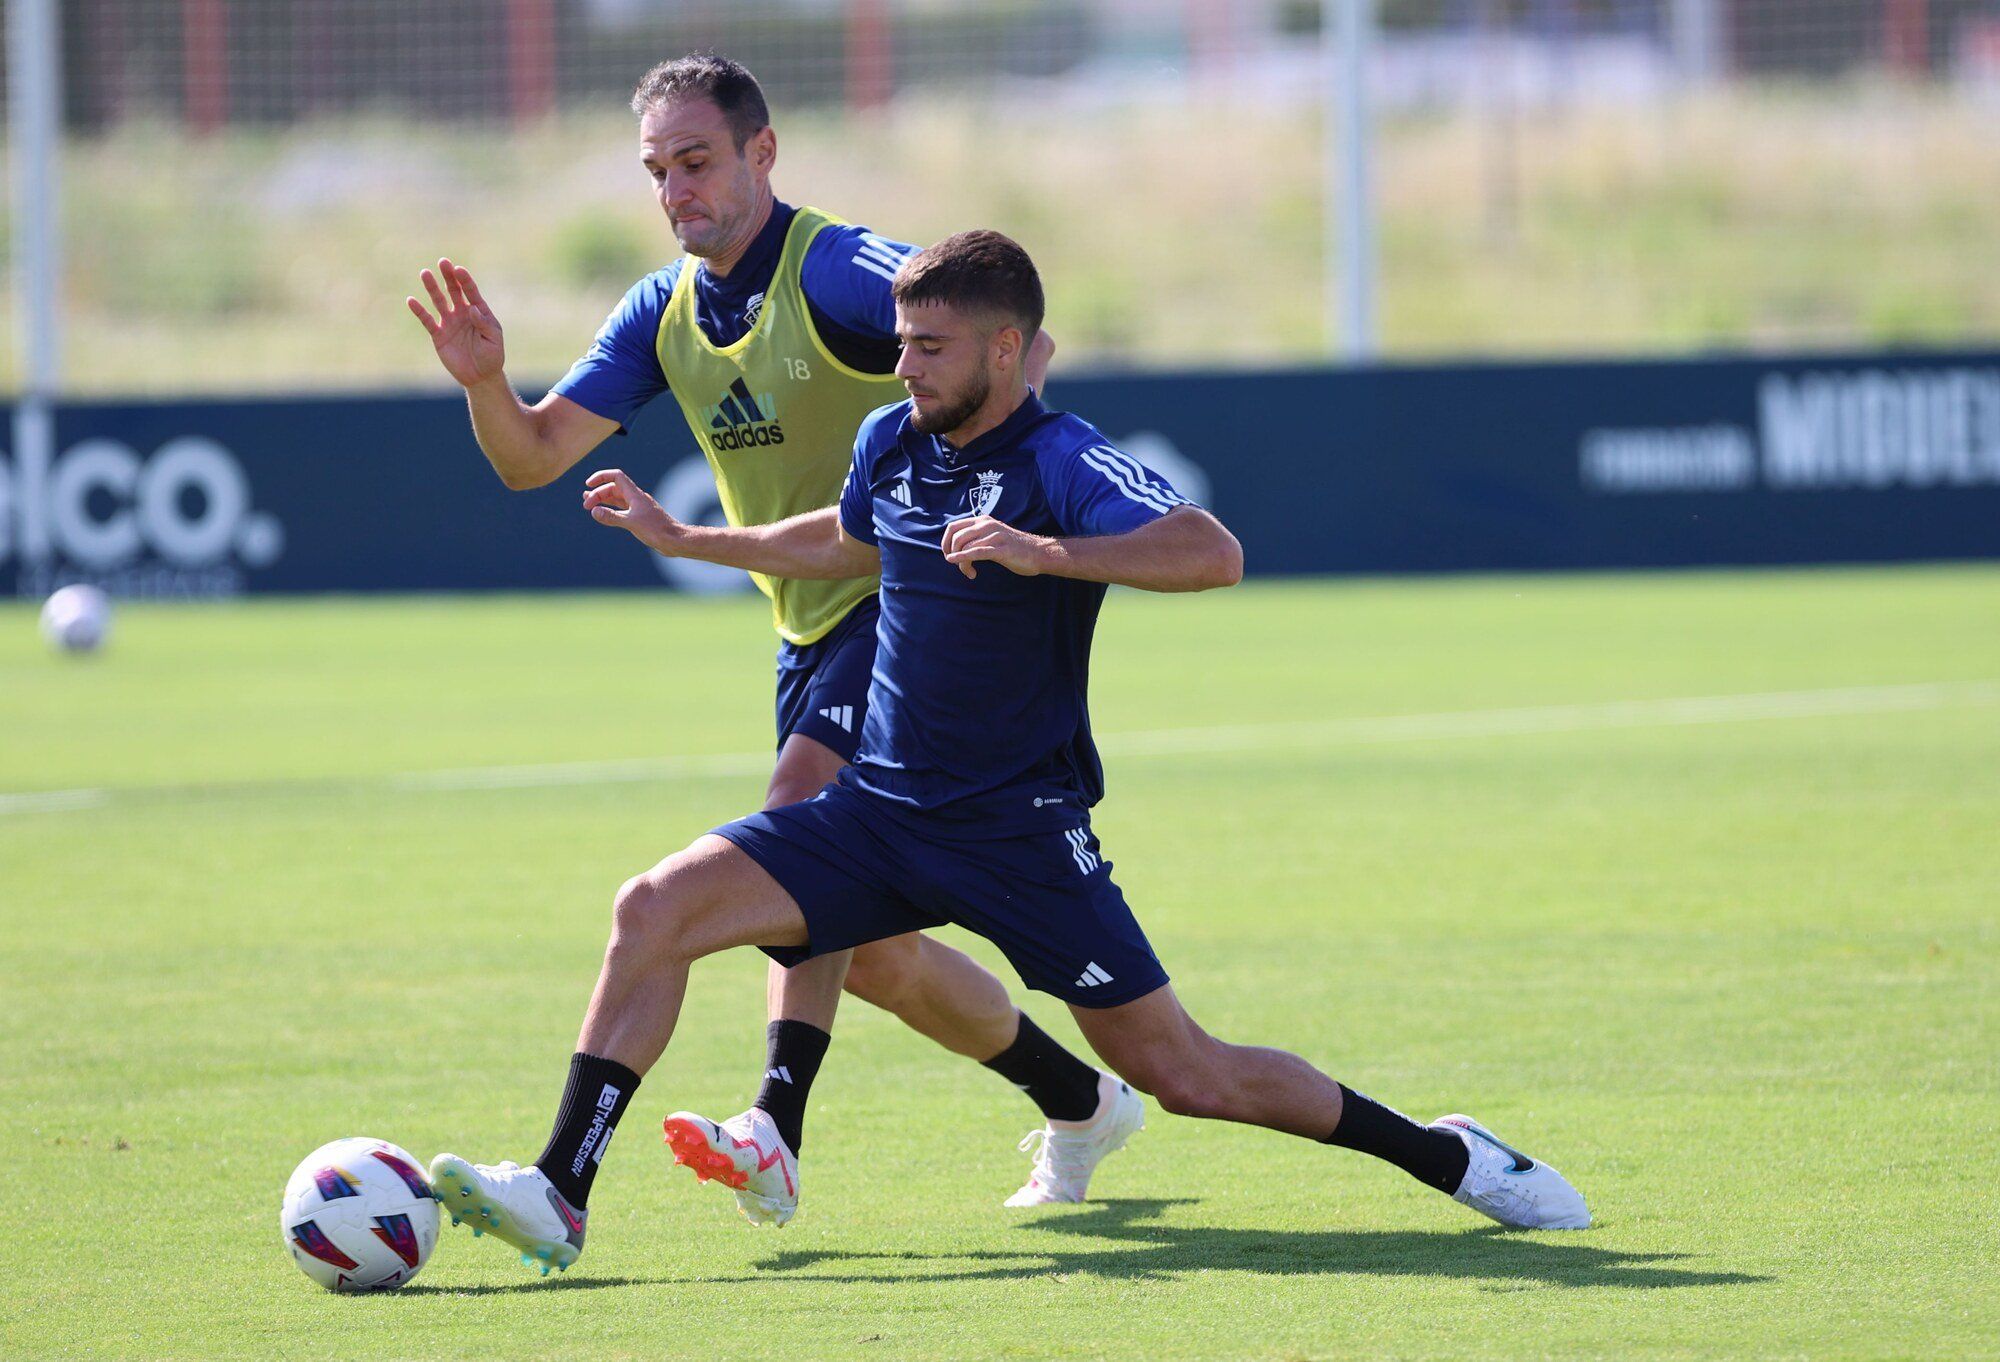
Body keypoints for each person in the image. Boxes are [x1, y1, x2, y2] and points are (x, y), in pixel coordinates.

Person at [427, 229, 1590, 1277]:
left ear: (1006, 348)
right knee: (652, 908)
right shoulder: (892, 436)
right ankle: (559, 1192)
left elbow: (1210, 549)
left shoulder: (1061, 458)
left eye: (930, 348)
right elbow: (841, 543)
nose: (904, 369)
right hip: (874, 816)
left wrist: (1051, 555)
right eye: (899, 344)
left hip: (1018, 833)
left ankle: (1444, 1158)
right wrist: (689, 537)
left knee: (1190, 1075)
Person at [406, 54, 1132, 1234]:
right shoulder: (663, 311)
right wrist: (487, 384)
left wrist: (963, 500)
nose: (676, 190)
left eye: (696, 161)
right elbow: (532, 456)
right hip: (805, 629)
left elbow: (1013, 343)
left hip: (901, 614)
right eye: (656, 172)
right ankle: (1081, 1099)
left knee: (785, 829)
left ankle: (726, 1141)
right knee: (878, 956)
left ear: (761, 154)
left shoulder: (838, 269)